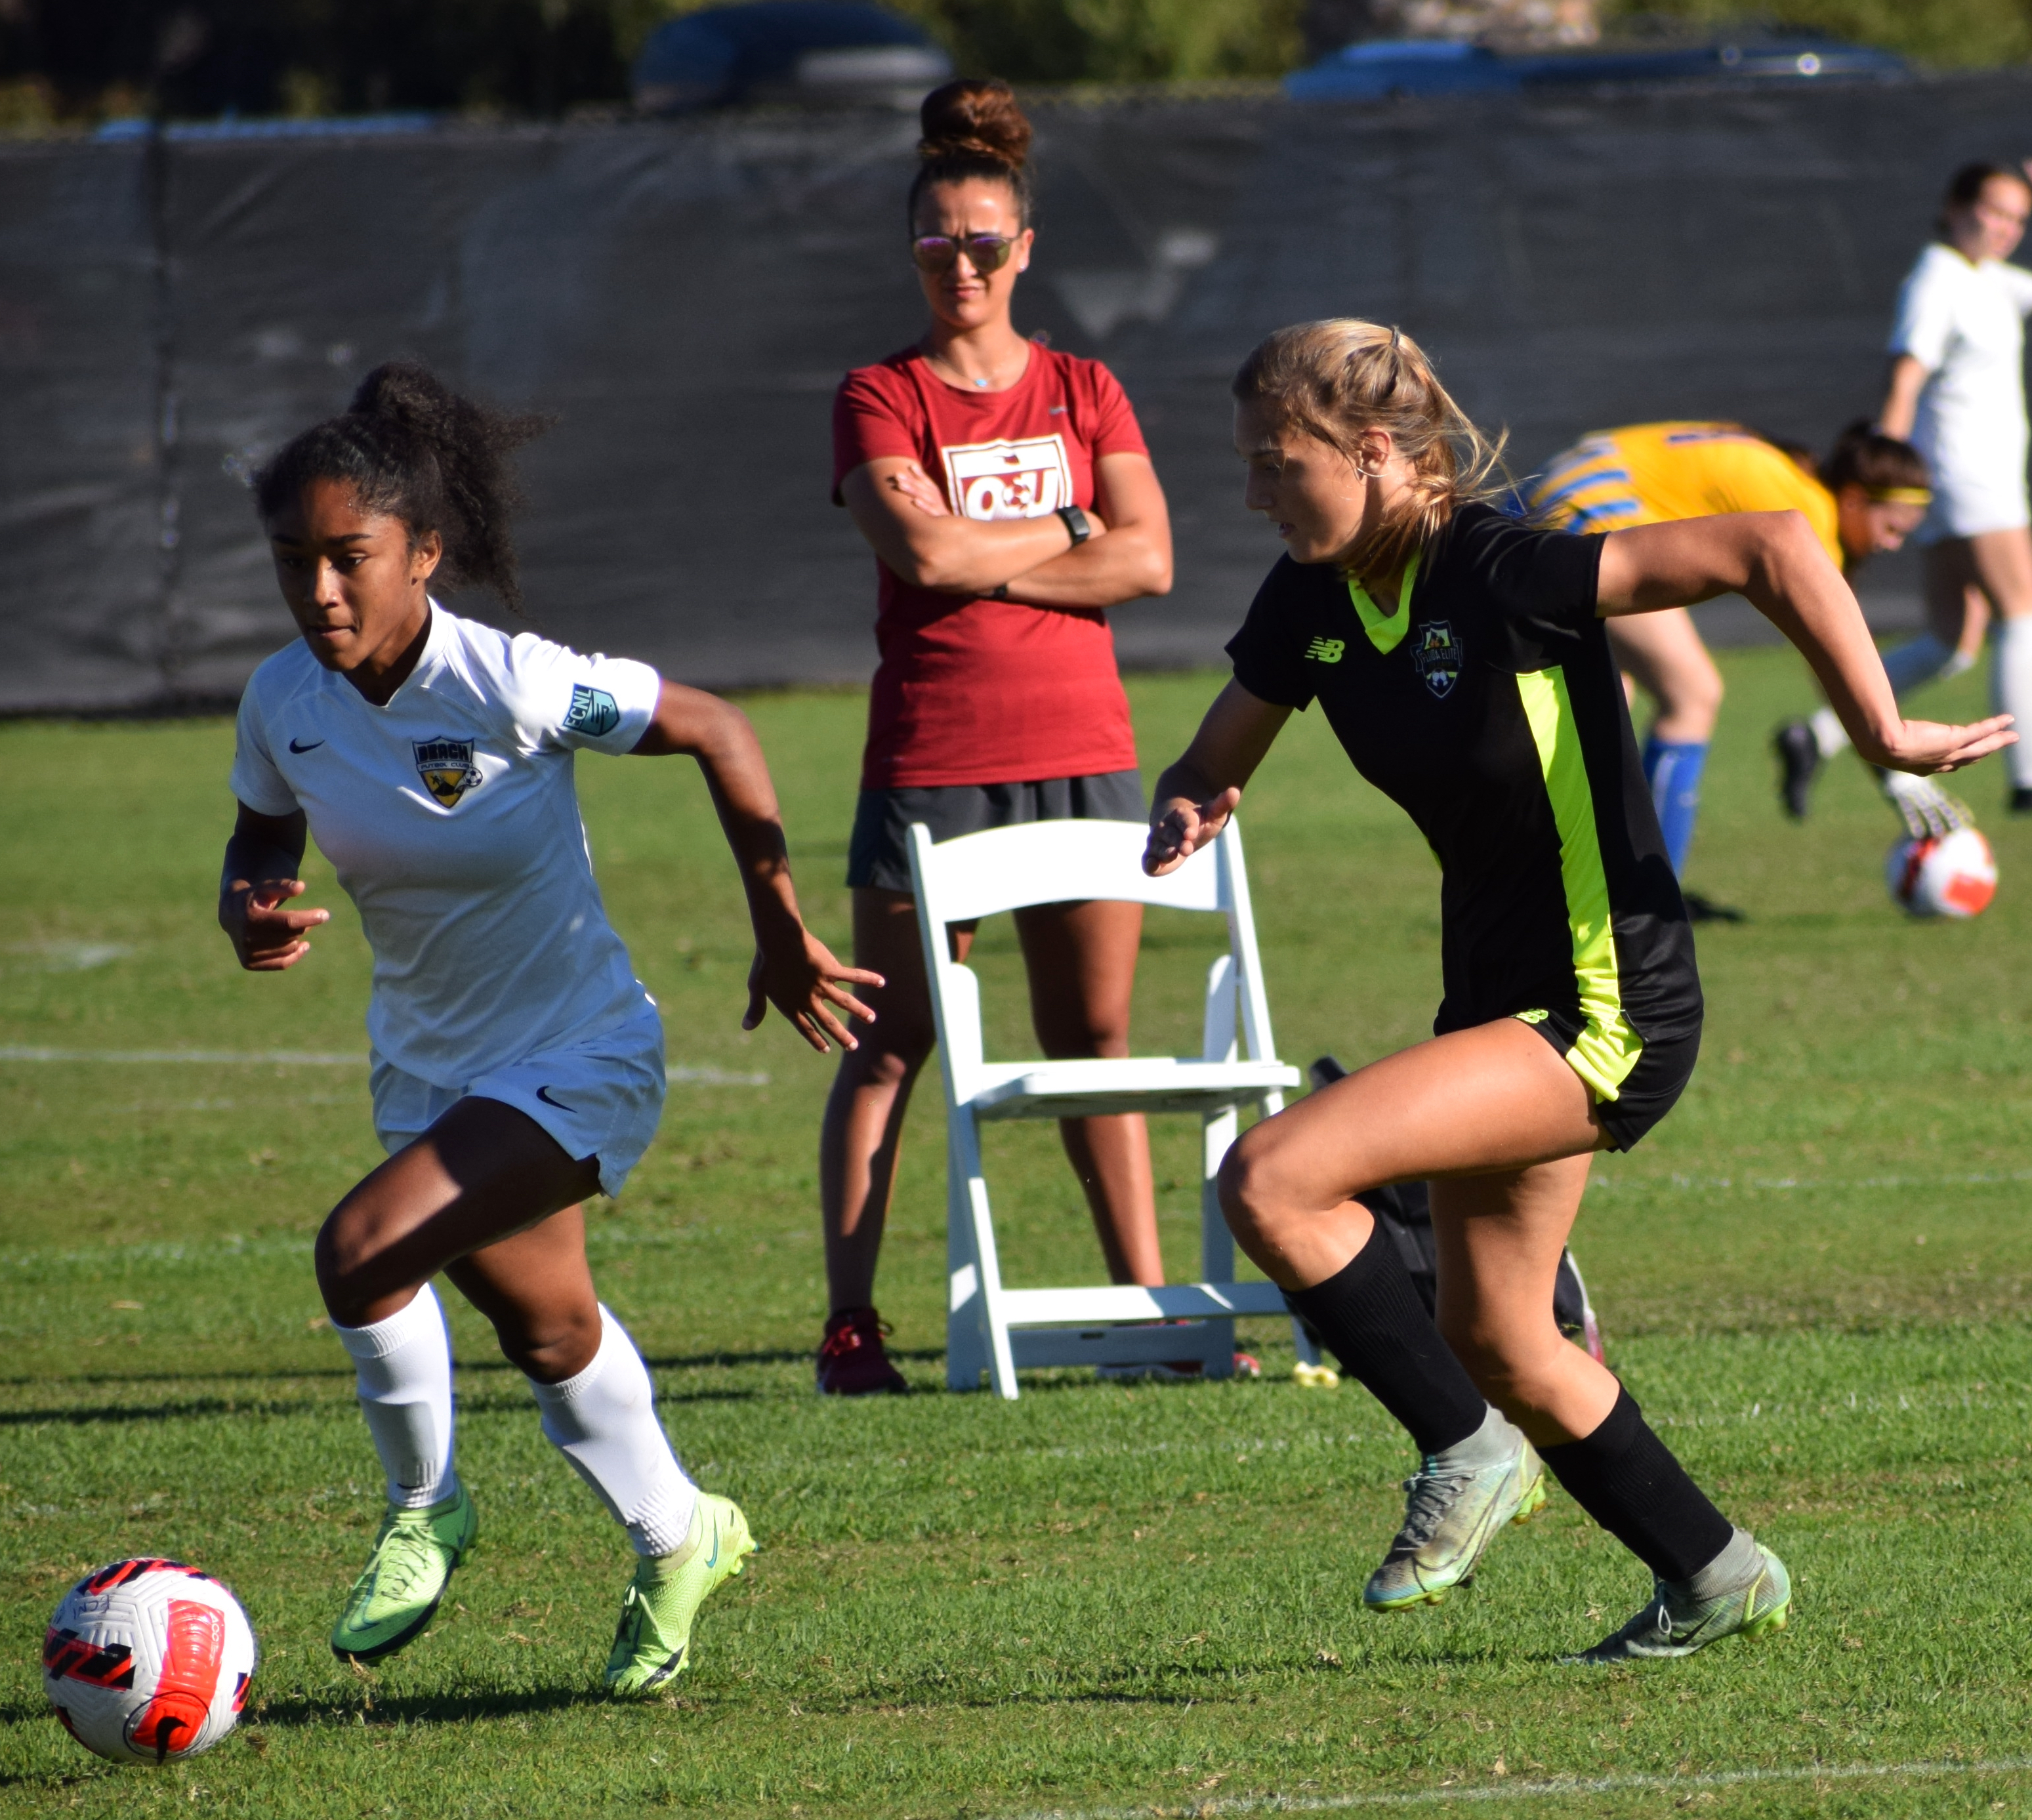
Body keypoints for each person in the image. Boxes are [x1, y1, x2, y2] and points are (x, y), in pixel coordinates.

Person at [1144, 320, 2010, 1662]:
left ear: (1375, 452)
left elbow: (1773, 546)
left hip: (1606, 1007)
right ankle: (1715, 1571)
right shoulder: (1308, 598)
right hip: (1494, 1002)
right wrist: (1193, 796)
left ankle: (1464, 1449)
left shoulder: (1497, 564)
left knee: (1273, 1178)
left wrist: (1881, 731)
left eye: (1276, 462)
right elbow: (1219, 751)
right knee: (1495, 1328)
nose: (1255, 491)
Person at [219, 363, 877, 1692]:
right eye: (297, 564)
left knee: (358, 1255)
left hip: (581, 1056)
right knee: (549, 1331)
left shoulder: (512, 682)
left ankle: (427, 1509)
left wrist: (777, 920)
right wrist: (250, 905)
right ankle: (681, 1532)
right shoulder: (282, 701)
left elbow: (718, 727)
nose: (322, 592)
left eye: (350, 560)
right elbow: (262, 828)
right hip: (425, 1069)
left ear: (425, 555)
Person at [818, 78, 1180, 1394]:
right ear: (911, 247)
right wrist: (1067, 534)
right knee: (893, 1040)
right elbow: (915, 547)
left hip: (1084, 744)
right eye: (937, 243)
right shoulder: (880, 393)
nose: (960, 264)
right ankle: (851, 1326)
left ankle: (1150, 1309)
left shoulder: (1088, 384)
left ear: (1024, 248)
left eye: (983, 243)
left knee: (1095, 1036)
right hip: (930, 756)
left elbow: (1150, 563)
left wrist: (995, 561)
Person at [1526, 420, 1934, 894]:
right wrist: (1895, 771)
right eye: (1890, 527)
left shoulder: (1789, 477)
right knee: (1691, 695)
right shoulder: (1811, 513)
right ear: (1853, 499)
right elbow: (1834, 669)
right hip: (1587, 504)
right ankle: (1651, 895)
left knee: (1609, 694)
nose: (1892, 544)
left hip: (1552, 485)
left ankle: (1568, 879)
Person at [1777, 160, 2032, 818]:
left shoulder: (1993, 282)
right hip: (1961, 475)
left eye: (2016, 219)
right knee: (2021, 610)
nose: (2003, 228)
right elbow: (1904, 381)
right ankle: (2027, 777)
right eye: (1992, 212)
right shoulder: (1937, 278)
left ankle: (1818, 734)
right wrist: (1881, 477)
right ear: (1953, 207)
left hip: (1978, 479)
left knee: (1953, 640)